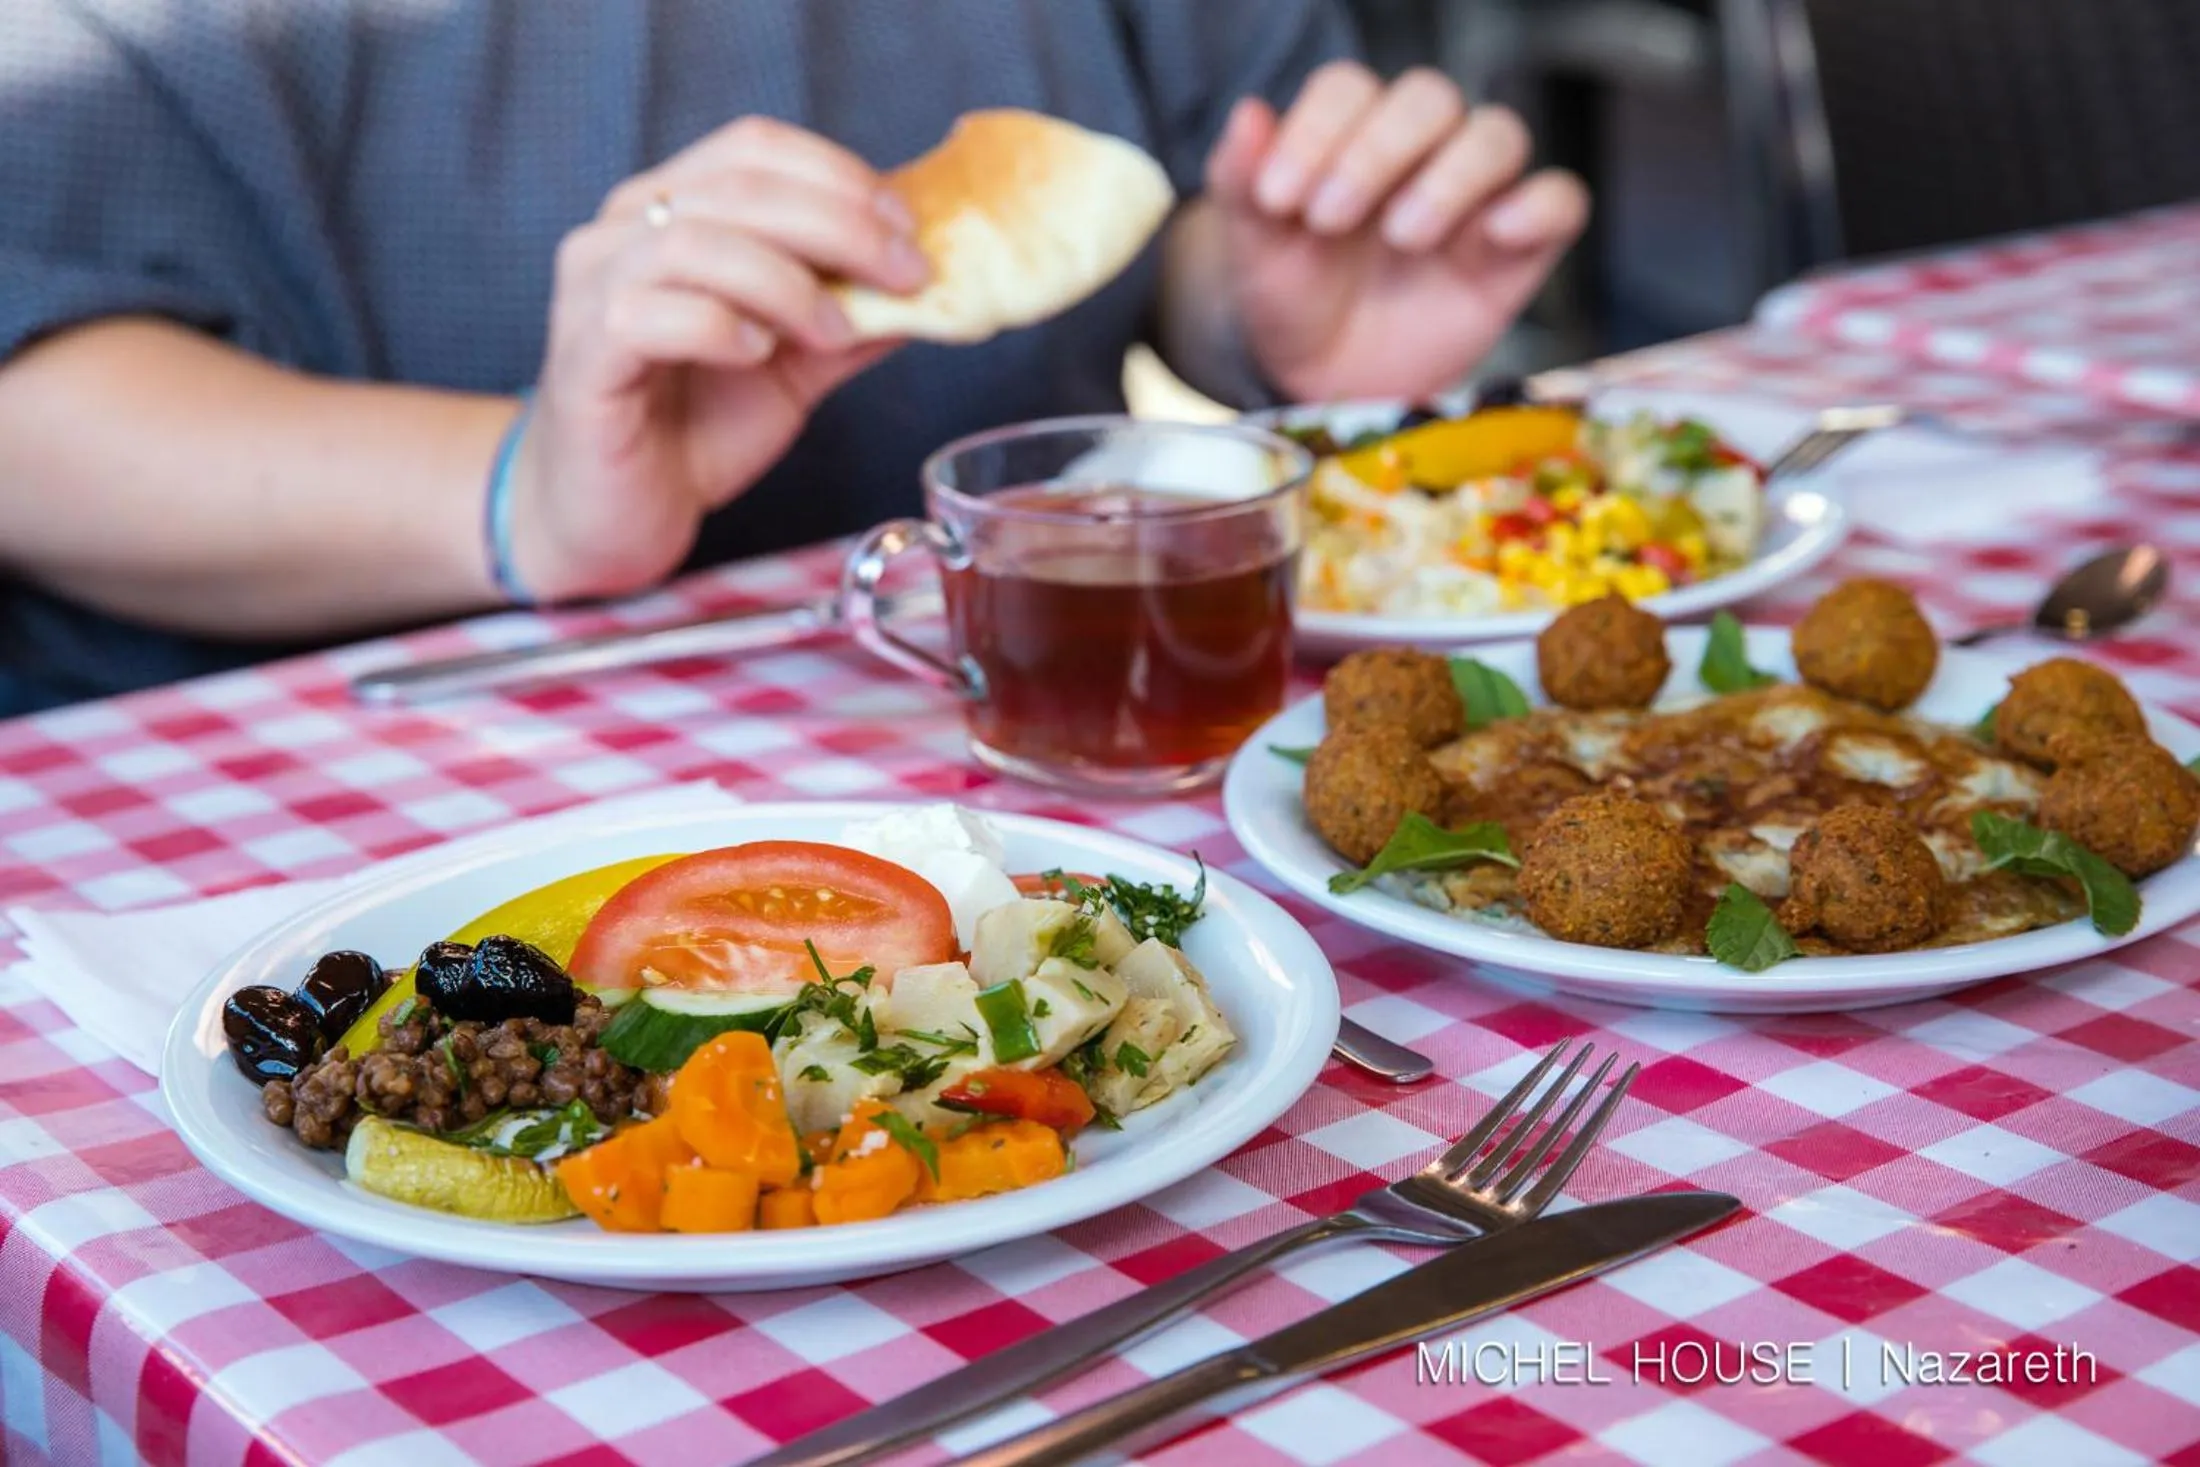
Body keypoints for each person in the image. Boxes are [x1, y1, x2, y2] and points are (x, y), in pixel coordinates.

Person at [0, 0, 1588, 713]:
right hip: (304, 809)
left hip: (1013, 721)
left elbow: (1167, 210)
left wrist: (1263, 305)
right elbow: (34, 390)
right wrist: (523, 490)